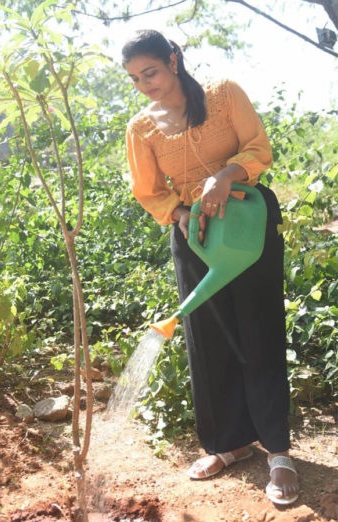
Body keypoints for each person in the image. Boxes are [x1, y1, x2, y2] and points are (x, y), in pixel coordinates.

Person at [121, 30, 299, 506]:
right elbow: (148, 190)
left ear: (174, 60)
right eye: (135, 78)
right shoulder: (141, 128)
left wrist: (223, 176)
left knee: (259, 327)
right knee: (207, 336)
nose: (145, 84)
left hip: (248, 223)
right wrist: (180, 215)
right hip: (194, 237)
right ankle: (229, 444)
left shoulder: (223, 94)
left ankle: (278, 452)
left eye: (151, 72)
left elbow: (258, 148)